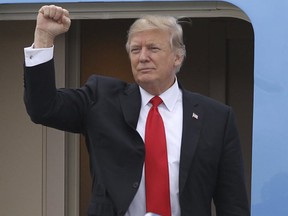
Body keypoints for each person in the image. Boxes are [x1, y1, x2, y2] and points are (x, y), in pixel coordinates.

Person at [24, 5, 250, 216]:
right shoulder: (101, 98)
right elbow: (43, 108)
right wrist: (44, 37)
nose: (142, 57)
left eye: (153, 48)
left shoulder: (216, 118)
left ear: (177, 57)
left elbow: (232, 203)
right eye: (135, 49)